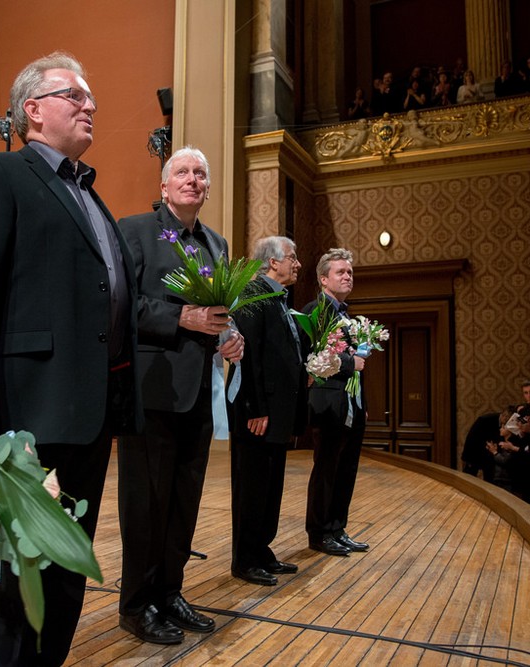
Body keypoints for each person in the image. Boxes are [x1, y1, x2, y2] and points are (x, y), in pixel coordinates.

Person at [0, 51, 141, 667]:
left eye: (90, 97)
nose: (90, 105)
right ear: (32, 108)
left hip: (87, 416)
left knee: (64, 572)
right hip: (25, 413)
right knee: (13, 579)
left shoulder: (89, 195)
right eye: (74, 95)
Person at [117, 146, 244, 645]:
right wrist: (181, 317)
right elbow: (121, 303)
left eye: (200, 174)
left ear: (207, 188)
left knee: (184, 501)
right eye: (183, 172)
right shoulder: (135, 231)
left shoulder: (217, 243)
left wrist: (231, 335)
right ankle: (136, 604)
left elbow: (221, 311)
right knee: (145, 503)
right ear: (165, 185)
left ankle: (170, 593)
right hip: (153, 389)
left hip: (200, 394)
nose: (192, 179)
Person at [229, 236, 306, 586]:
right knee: (253, 487)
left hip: (276, 412)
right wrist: (256, 408)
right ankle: (245, 559)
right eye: (292, 257)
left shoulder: (277, 297)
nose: (297, 264)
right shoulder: (253, 294)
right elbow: (249, 358)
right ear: (273, 262)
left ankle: (261, 549)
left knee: (270, 486)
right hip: (258, 413)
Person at [302, 248, 370, 557]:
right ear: (323, 279)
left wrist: (361, 402)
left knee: (347, 468)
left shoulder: (347, 315)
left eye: (350, 272)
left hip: (351, 403)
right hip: (327, 403)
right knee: (326, 470)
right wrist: (350, 362)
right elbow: (312, 359)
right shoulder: (315, 312)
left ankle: (337, 528)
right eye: (340, 272)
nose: (347, 277)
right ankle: (319, 533)